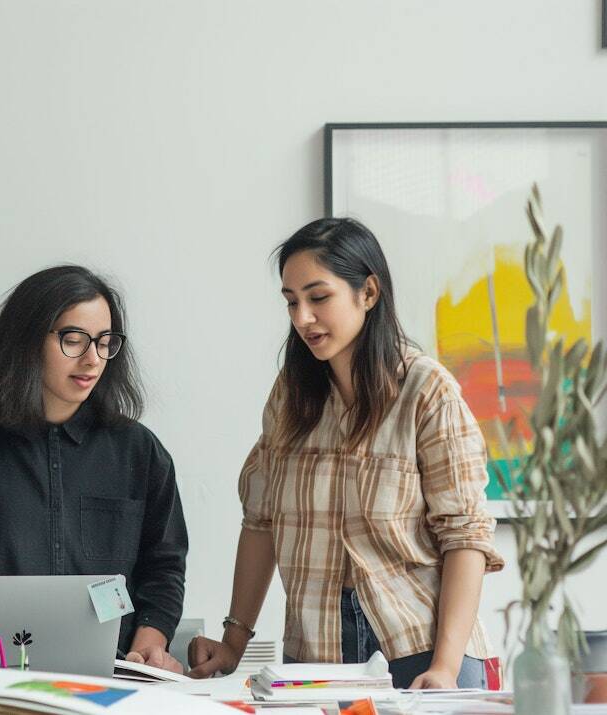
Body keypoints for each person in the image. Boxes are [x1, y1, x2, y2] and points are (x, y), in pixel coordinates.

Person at [188, 218, 504, 689]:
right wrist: (234, 641)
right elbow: (261, 521)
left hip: (421, 651)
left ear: (368, 292)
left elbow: (465, 538)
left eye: (318, 298)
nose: (302, 318)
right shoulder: (291, 396)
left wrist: (445, 666)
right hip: (314, 659)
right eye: (291, 301)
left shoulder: (426, 390)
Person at [0, 265, 189, 687]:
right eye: (73, 339)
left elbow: (164, 563)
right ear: (27, 339)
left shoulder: (140, 452)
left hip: (114, 681)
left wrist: (152, 639)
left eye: (104, 342)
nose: (92, 359)